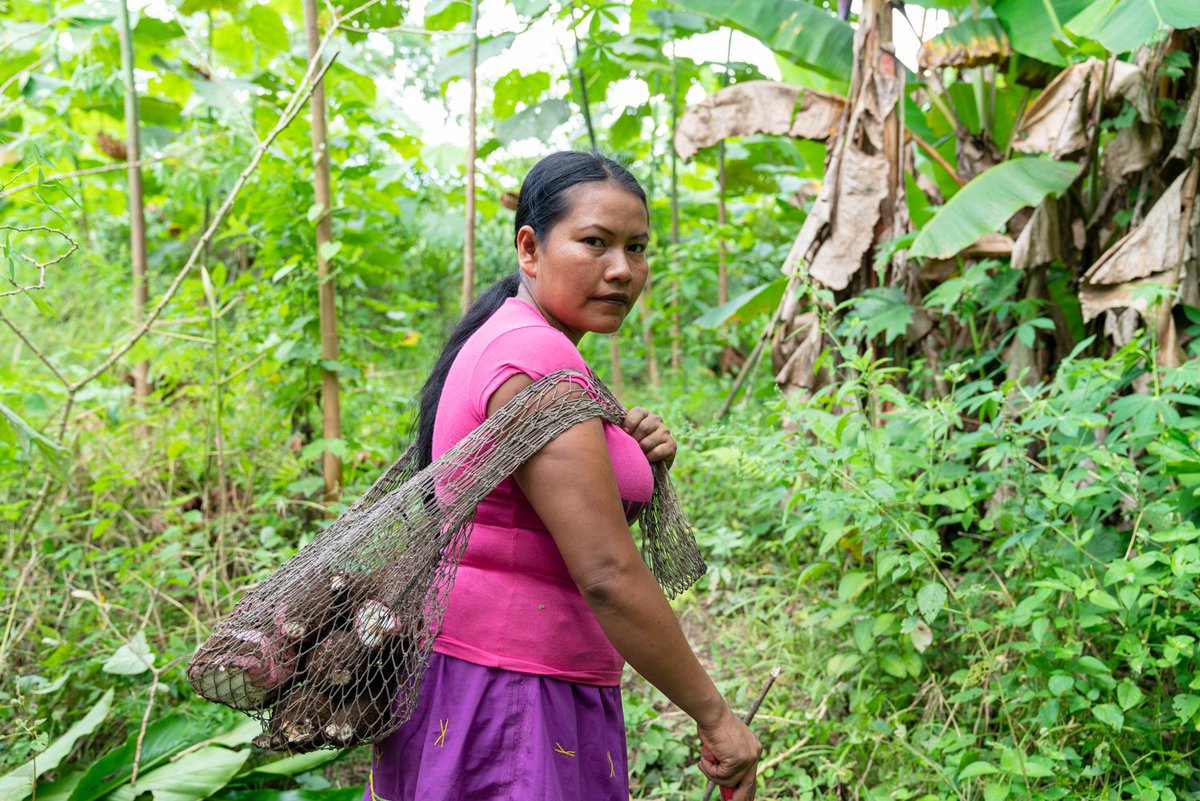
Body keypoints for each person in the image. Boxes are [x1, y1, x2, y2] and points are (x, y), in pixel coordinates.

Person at [363, 150, 761, 801]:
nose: (622, 270)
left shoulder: (508, 340)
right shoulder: (536, 357)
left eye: (637, 248)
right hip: (516, 693)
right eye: (595, 242)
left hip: (480, 677)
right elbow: (606, 573)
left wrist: (630, 454)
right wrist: (717, 716)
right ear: (530, 246)